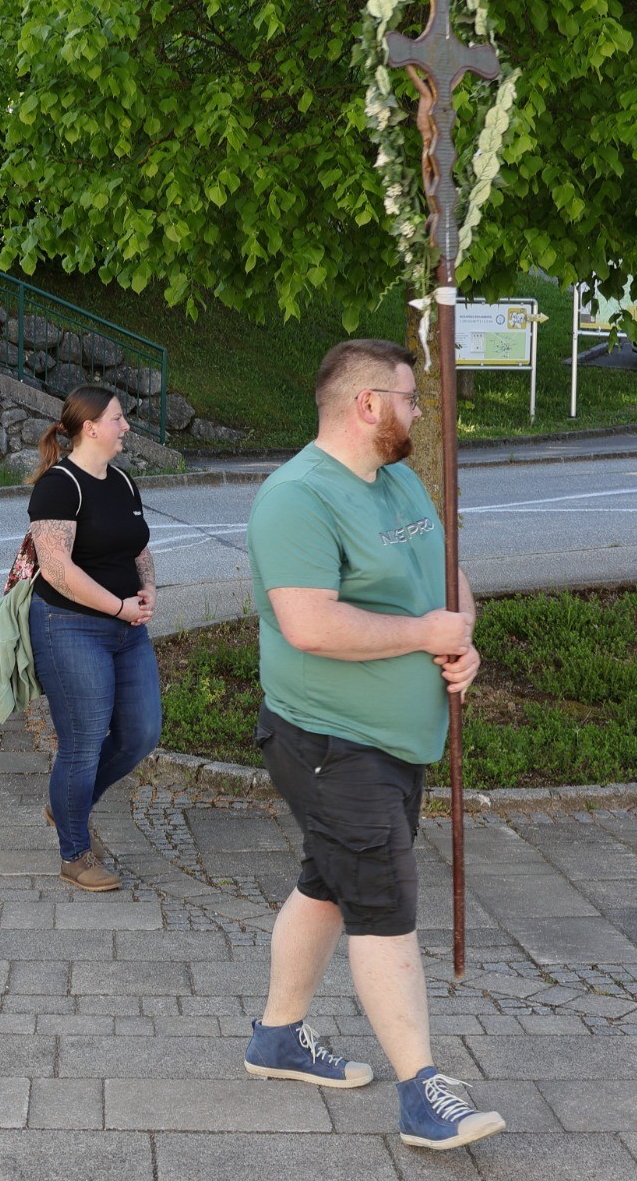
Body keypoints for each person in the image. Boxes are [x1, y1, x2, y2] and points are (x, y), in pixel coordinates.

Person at [243, 339, 500, 1151]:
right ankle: (424, 1091)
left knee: (329, 881)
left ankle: (278, 1038)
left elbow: (446, 576)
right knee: (383, 901)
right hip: (331, 741)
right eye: (409, 397)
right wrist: (425, 632)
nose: (419, 410)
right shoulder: (297, 498)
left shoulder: (398, 481)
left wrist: (460, 638)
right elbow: (310, 624)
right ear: (366, 405)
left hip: (396, 740)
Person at [23, 385, 160, 893]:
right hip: (70, 628)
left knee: (141, 733)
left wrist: (146, 591)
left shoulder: (122, 482)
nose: (126, 427)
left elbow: (139, 547)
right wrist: (118, 605)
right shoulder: (59, 486)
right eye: (119, 419)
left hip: (127, 628)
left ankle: (65, 805)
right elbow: (57, 570)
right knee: (81, 745)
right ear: (91, 428)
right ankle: (75, 854)